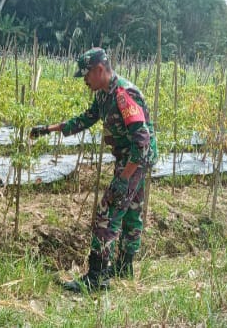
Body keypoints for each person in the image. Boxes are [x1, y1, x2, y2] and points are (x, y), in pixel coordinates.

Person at [30, 48, 157, 292]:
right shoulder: (102, 95)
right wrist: (48, 129)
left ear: (99, 70)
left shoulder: (122, 94)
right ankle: (123, 267)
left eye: (86, 75)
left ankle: (97, 276)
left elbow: (142, 140)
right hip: (131, 159)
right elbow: (85, 119)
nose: (85, 81)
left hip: (136, 159)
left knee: (107, 210)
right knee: (131, 211)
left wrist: (125, 177)